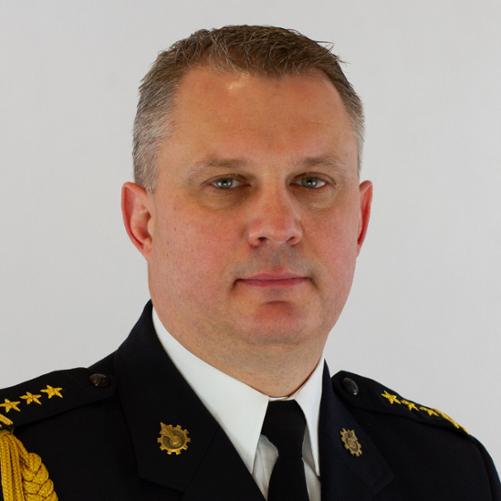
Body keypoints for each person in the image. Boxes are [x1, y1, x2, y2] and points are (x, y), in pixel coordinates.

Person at [0, 25, 499, 501]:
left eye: (312, 181)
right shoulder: (19, 466)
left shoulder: (450, 473)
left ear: (361, 220)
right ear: (144, 223)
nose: (278, 226)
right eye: (226, 182)